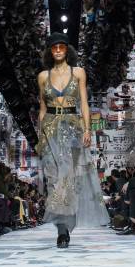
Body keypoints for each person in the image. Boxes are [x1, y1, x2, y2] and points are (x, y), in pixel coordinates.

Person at [36, 32, 108, 248]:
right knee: (54, 180)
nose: (58, 50)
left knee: (70, 179)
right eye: (54, 47)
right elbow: (41, 108)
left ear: (67, 50)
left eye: (61, 47)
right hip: (50, 128)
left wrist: (87, 129)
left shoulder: (78, 73)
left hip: (72, 128)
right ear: (50, 51)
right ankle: (62, 228)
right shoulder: (42, 76)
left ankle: (65, 227)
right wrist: (41, 136)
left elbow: (84, 103)